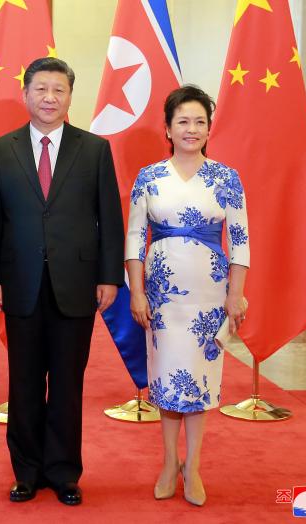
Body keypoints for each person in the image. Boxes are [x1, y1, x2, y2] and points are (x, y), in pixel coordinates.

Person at [0, 57, 124, 506]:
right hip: (19, 282)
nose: (49, 98)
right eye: (40, 89)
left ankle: (63, 472)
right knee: (22, 382)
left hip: (76, 283)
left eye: (58, 90)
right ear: (25, 94)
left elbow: (109, 218)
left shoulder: (94, 149)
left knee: (66, 383)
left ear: (69, 97)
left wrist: (108, 275)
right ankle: (25, 471)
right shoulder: (2, 150)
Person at [126, 85, 250, 506]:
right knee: (164, 380)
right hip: (161, 298)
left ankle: (193, 465)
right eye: (183, 121)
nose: (191, 129)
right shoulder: (149, 177)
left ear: (209, 128)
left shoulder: (226, 177)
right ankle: (167, 462)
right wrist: (137, 292)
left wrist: (236, 295)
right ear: (167, 128)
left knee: (198, 383)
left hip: (208, 296)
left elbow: (240, 240)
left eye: (200, 121)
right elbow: (134, 237)